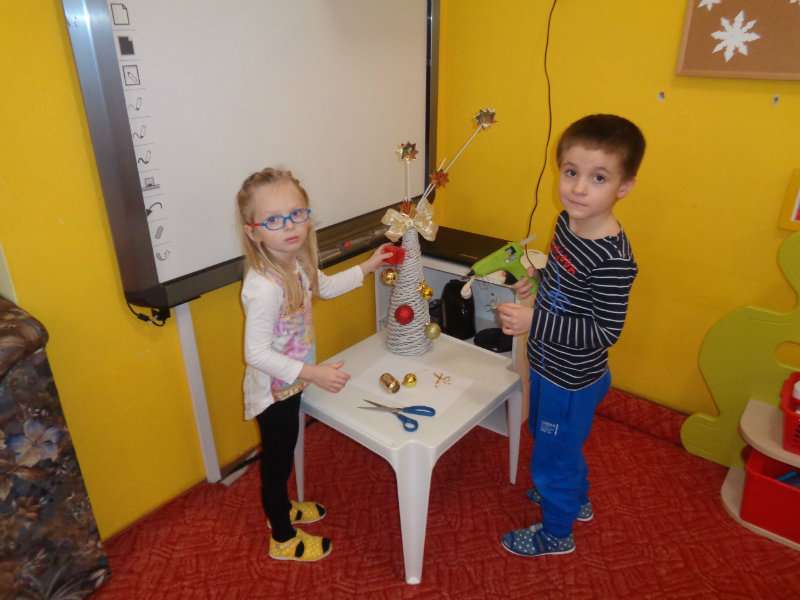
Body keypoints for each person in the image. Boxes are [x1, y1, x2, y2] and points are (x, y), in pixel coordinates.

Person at [497, 114, 645, 556]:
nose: (579, 188)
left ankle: (557, 533)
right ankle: (574, 498)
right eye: (571, 172)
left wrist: (534, 322)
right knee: (553, 442)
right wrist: (534, 283)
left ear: (624, 187)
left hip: (572, 379)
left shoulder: (613, 258)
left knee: (552, 457)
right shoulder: (567, 223)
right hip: (547, 365)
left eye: (598, 178)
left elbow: (605, 330)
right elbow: (562, 284)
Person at [236, 167, 392, 562]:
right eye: (273, 220)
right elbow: (256, 354)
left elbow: (325, 287)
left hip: (291, 383)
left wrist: (368, 266)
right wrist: (314, 373)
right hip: (274, 392)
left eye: (297, 214)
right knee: (276, 462)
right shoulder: (263, 287)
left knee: (285, 453)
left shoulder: (296, 263)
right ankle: (282, 537)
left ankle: (281, 509)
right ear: (253, 232)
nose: (289, 226)